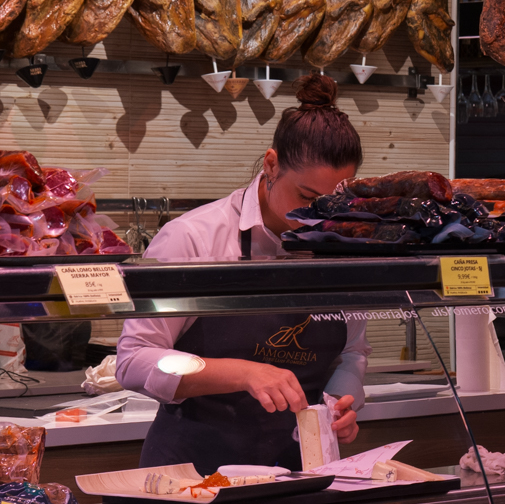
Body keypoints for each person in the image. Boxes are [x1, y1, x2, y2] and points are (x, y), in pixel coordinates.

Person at [117, 75, 367, 472]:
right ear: (271, 165)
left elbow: (351, 353)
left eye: (334, 202)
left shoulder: (340, 248)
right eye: (306, 198)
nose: (320, 216)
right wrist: (241, 373)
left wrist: (340, 403)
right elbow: (137, 361)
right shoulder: (193, 238)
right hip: (194, 475)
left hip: (300, 474)